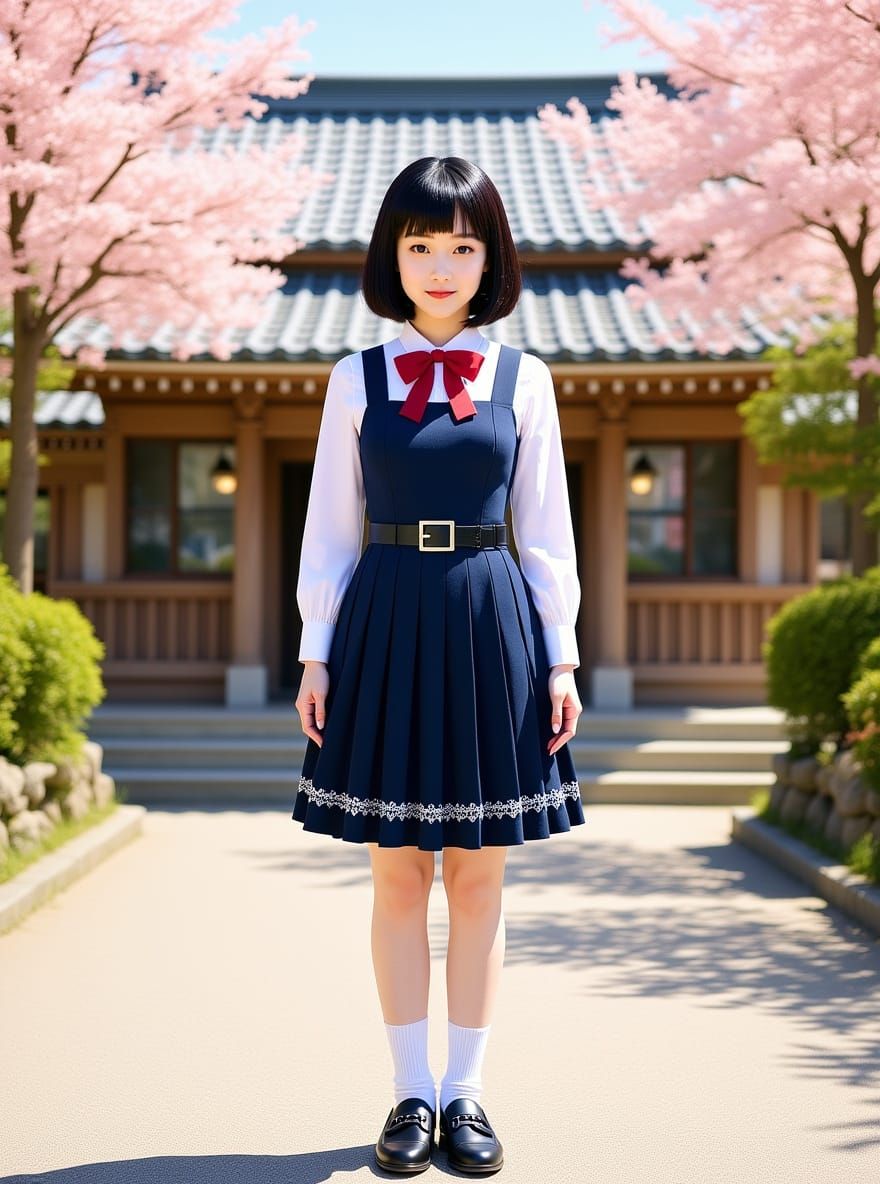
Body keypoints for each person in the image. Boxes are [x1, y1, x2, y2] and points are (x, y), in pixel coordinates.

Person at [292, 155, 585, 1176]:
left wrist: (562, 656)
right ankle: (408, 1092)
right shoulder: (354, 379)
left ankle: (466, 1093)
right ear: (394, 255)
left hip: (490, 618)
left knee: (477, 872)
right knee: (396, 871)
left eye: (463, 245)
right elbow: (329, 528)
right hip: (382, 615)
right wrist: (315, 649)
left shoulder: (525, 379)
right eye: (421, 245)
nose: (442, 265)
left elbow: (546, 530)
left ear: (490, 258)